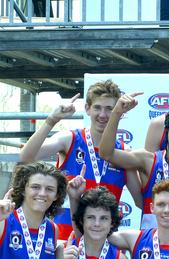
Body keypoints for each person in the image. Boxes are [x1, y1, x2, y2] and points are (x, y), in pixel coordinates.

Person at [18, 81, 141, 240]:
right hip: (63, 241)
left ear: (119, 111)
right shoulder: (69, 139)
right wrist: (51, 120)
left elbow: (141, 202)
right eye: (97, 107)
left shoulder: (124, 153)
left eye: (109, 109)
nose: (102, 115)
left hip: (102, 247)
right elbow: (26, 157)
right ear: (87, 109)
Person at [99, 92, 169, 240]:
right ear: (166, 133)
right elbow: (106, 153)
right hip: (149, 247)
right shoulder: (149, 160)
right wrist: (116, 113)